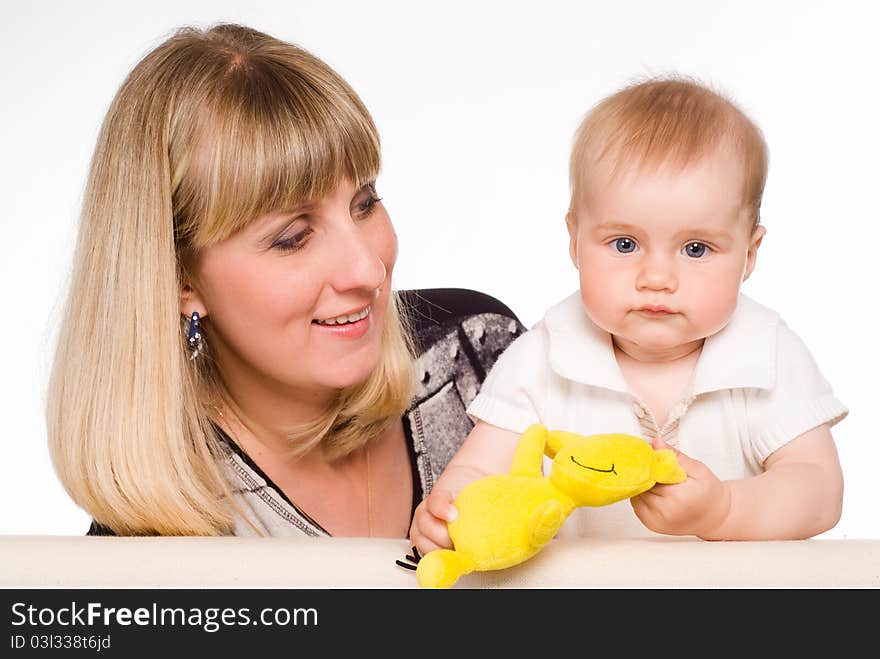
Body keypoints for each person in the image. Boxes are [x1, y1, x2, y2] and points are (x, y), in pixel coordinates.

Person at [46, 23, 526, 537]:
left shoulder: (482, 353)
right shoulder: (146, 557)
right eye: (294, 237)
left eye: (365, 203)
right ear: (180, 278)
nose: (369, 269)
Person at [409, 76, 848, 554]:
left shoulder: (767, 353)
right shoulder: (542, 356)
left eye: (696, 248)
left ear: (749, 253)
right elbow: (479, 468)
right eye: (625, 244)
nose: (656, 277)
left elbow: (818, 488)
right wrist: (449, 512)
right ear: (575, 240)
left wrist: (724, 509)